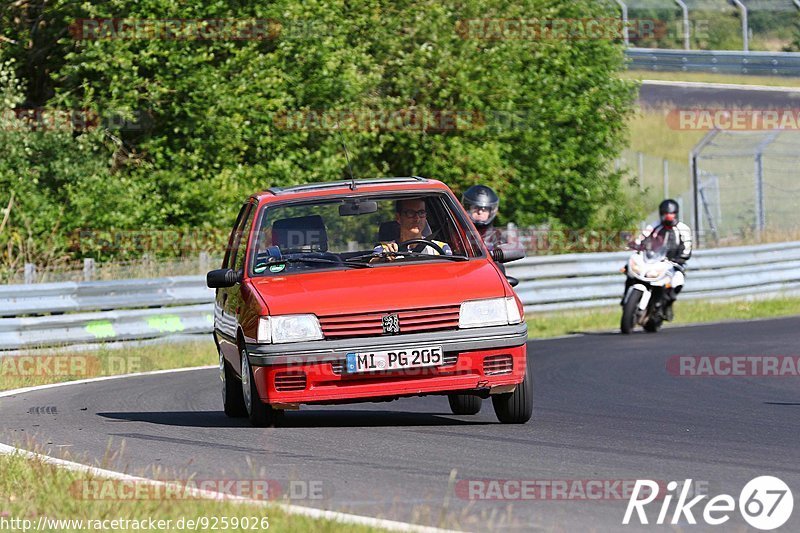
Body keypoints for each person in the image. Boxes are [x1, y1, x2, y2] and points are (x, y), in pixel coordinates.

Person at [626, 199, 693, 321]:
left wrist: (681, 257)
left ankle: (667, 304)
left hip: (673, 262)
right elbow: (643, 237)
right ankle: (627, 300)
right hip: (654, 259)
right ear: (661, 214)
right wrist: (635, 244)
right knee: (629, 269)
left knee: (678, 281)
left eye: (671, 214)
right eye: (666, 213)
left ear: (676, 214)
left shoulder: (683, 229)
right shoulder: (654, 225)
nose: (668, 216)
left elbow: (687, 247)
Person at [373, 198, 452, 259]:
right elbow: (372, 263)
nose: (417, 218)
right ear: (398, 218)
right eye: (410, 213)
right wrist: (382, 258)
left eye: (421, 213)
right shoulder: (385, 249)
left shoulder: (440, 248)